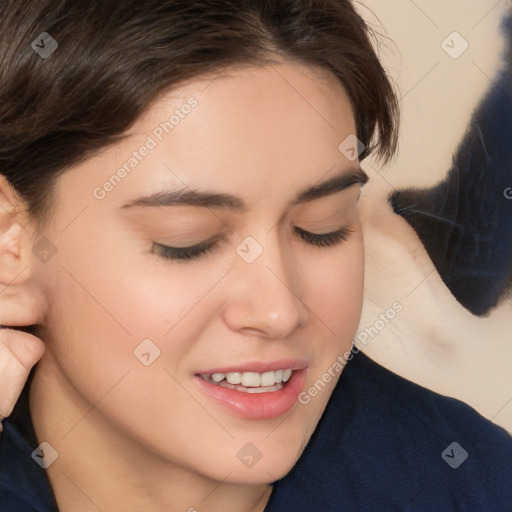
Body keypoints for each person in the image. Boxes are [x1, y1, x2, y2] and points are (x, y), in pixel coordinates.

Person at [0, 1, 510, 511]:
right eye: (189, 242)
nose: (279, 310)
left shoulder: (476, 484)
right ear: (10, 244)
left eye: (322, 228)